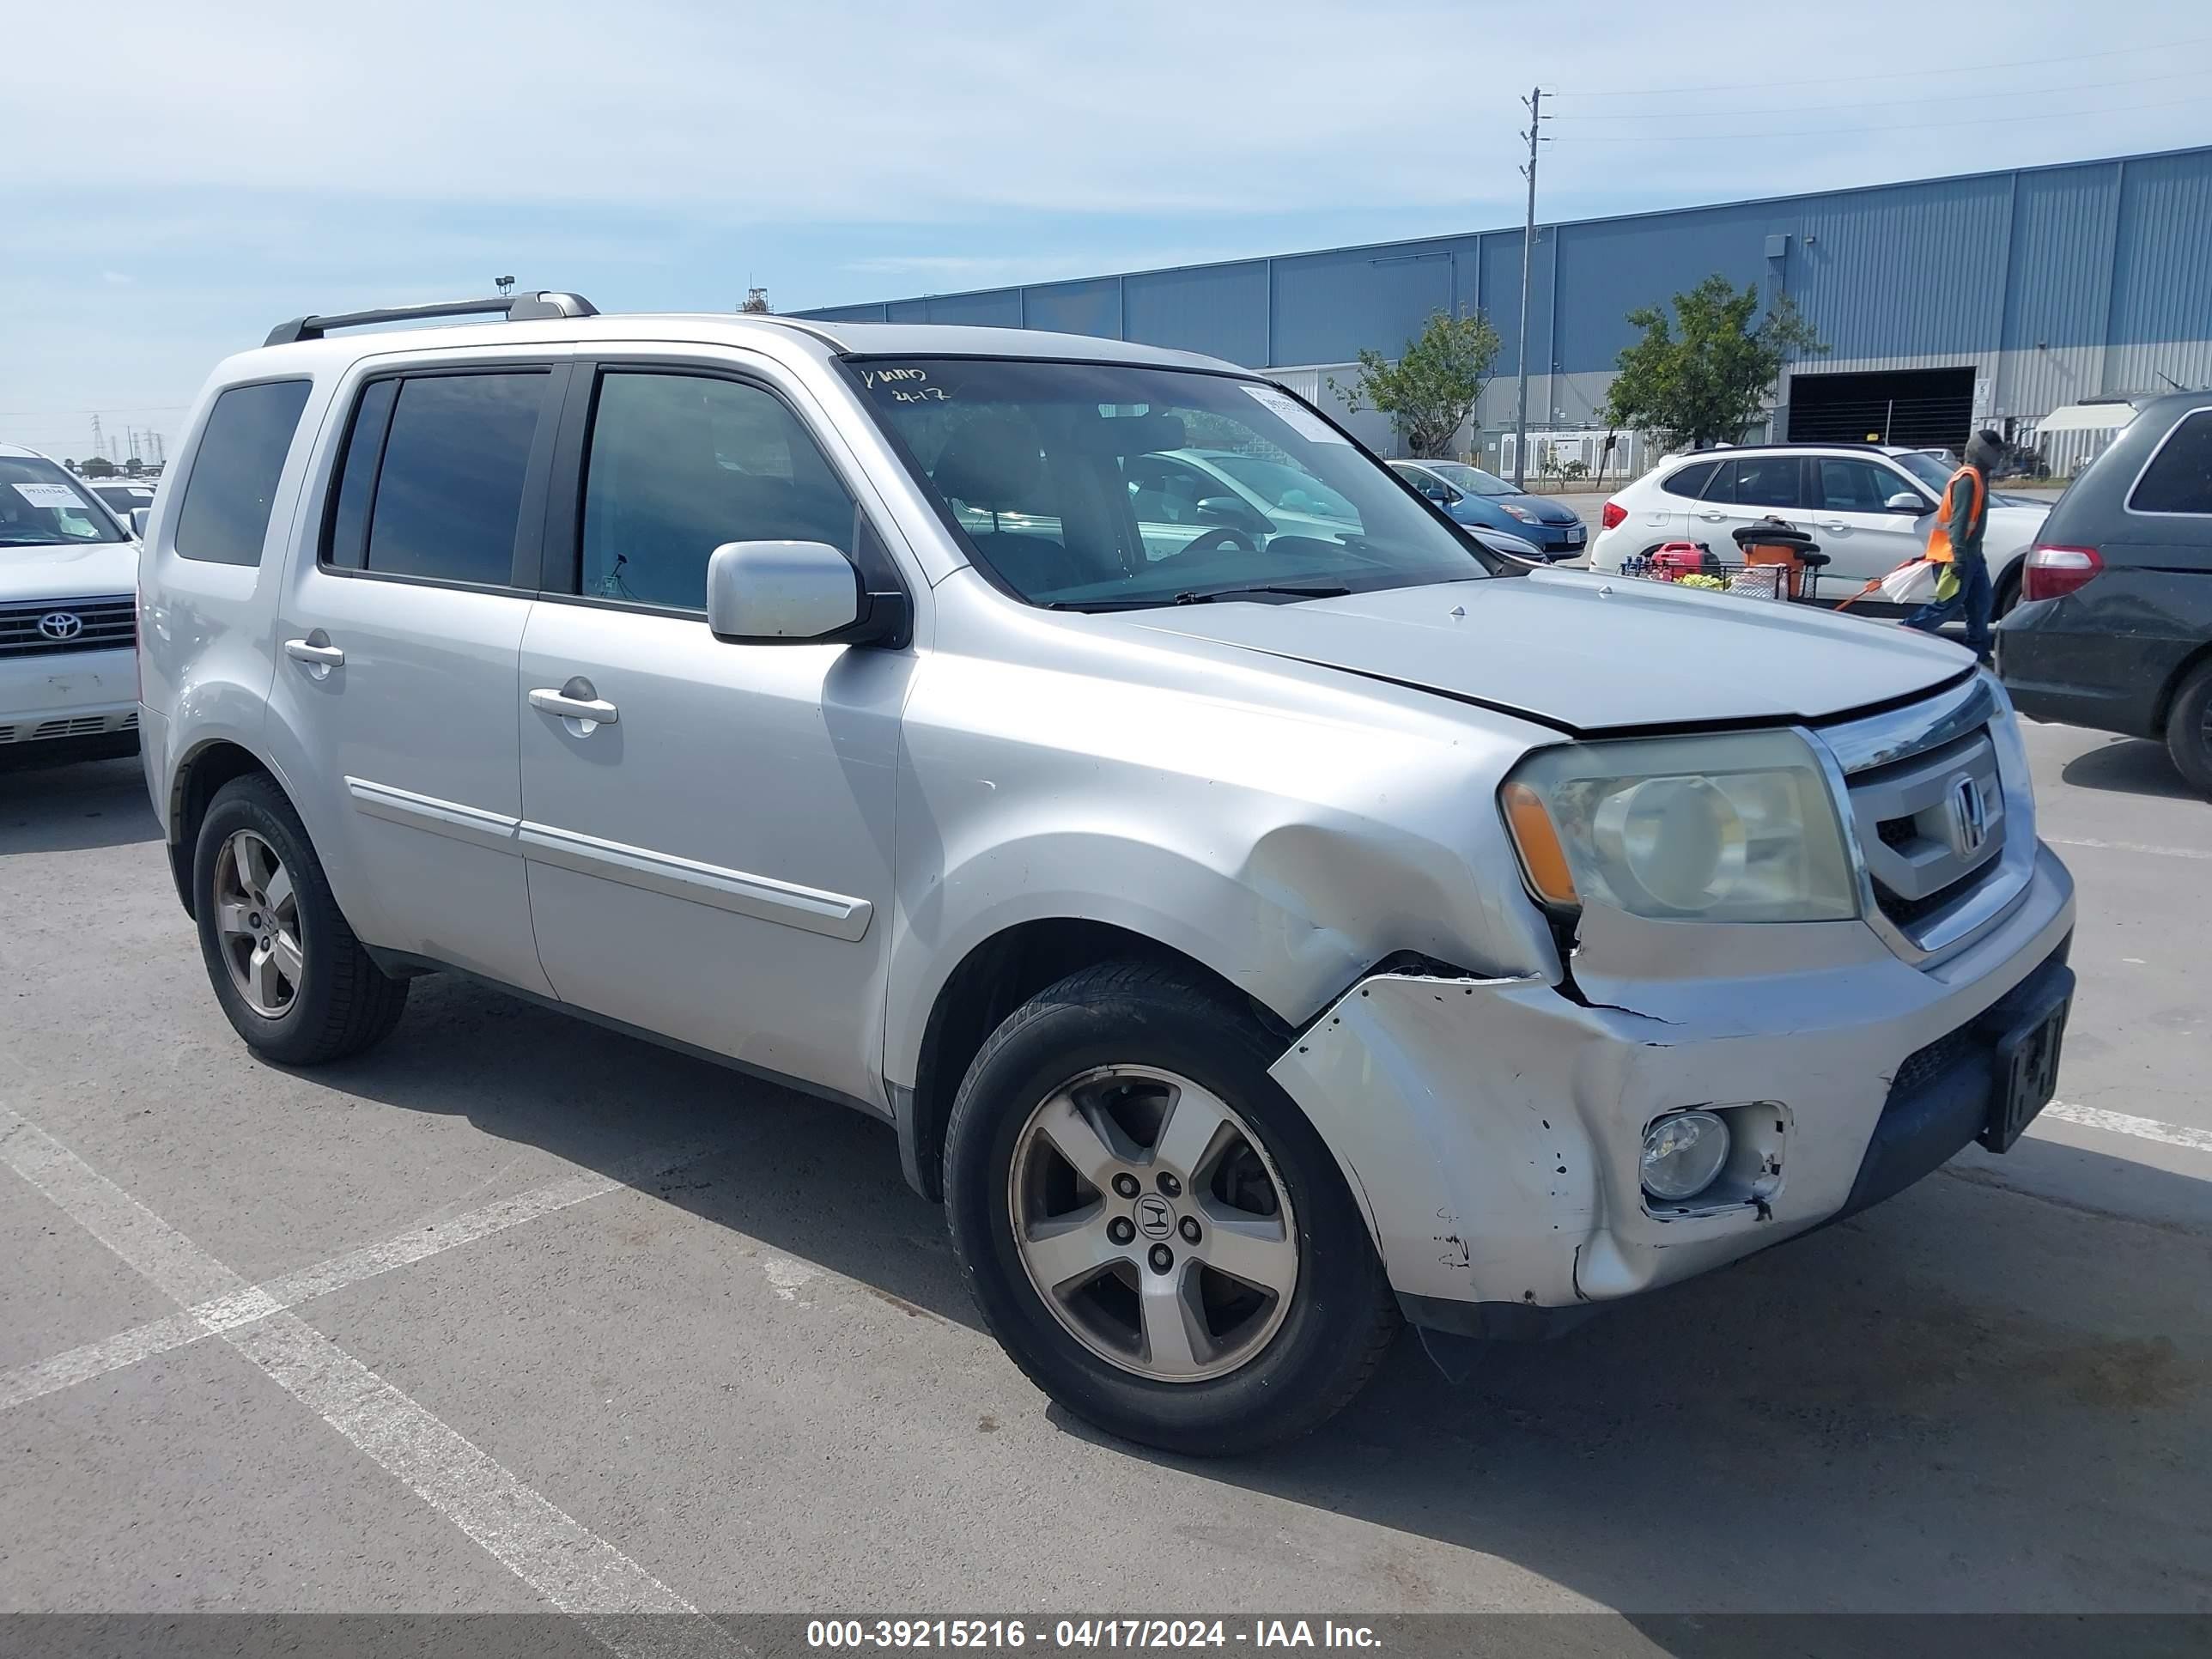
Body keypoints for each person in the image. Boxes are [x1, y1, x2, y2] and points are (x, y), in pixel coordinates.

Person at [1905, 428, 2002, 663]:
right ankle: (1903, 634)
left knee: (1981, 605)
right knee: (1947, 605)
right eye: (1997, 452)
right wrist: (1959, 557)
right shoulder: (1967, 479)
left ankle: (1978, 654)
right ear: (1983, 451)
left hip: (1972, 556)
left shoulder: (1978, 477)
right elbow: (1958, 523)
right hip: (1954, 556)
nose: (2000, 457)